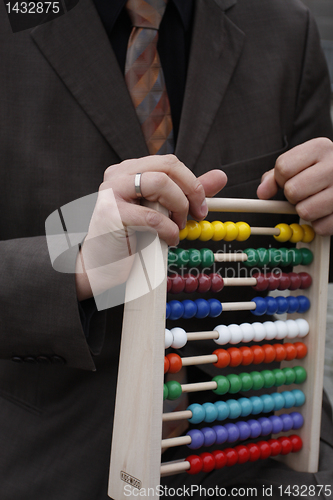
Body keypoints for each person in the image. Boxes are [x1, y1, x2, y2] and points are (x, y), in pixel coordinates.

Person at [0, 0, 333, 498]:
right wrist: (77, 258)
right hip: (57, 455)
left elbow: (310, 260)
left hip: (265, 444)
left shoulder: (285, 26)